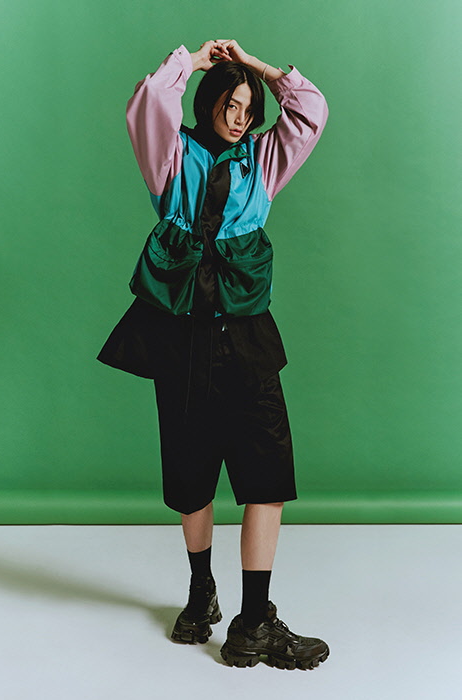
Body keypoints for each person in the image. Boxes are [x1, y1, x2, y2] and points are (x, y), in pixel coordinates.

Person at [97, 39, 330, 670]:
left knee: (268, 474)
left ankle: (254, 622)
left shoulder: (263, 159)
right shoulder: (170, 157)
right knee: (189, 472)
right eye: (229, 103)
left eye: (248, 108)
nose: (239, 117)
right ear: (208, 103)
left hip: (247, 334)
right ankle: (201, 592)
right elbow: (150, 100)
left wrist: (257, 68)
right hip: (180, 332)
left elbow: (311, 109)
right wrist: (194, 60)